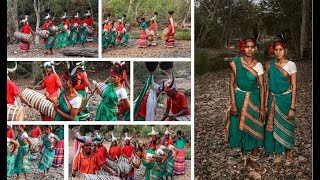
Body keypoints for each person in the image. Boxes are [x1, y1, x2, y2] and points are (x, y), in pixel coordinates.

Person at [226, 38, 266, 170]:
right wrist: (233, 103)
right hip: (239, 97)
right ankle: (244, 157)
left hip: (254, 98)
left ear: (255, 49)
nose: (250, 49)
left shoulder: (259, 65)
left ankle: (254, 158)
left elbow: (262, 86)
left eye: (252, 47)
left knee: (257, 127)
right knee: (240, 127)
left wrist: (262, 107)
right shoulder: (236, 63)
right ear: (243, 48)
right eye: (247, 46)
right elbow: (231, 84)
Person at [264, 39, 297, 172]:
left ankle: (288, 158)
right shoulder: (270, 65)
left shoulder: (291, 65)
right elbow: (268, 85)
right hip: (272, 99)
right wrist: (265, 104)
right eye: (276, 50)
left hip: (285, 100)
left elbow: (294, 86)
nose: (278, 52)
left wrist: (292, 107)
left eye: (281, 50)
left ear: (285, 50)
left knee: (287, 129)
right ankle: (277, 159)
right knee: (274, 130)